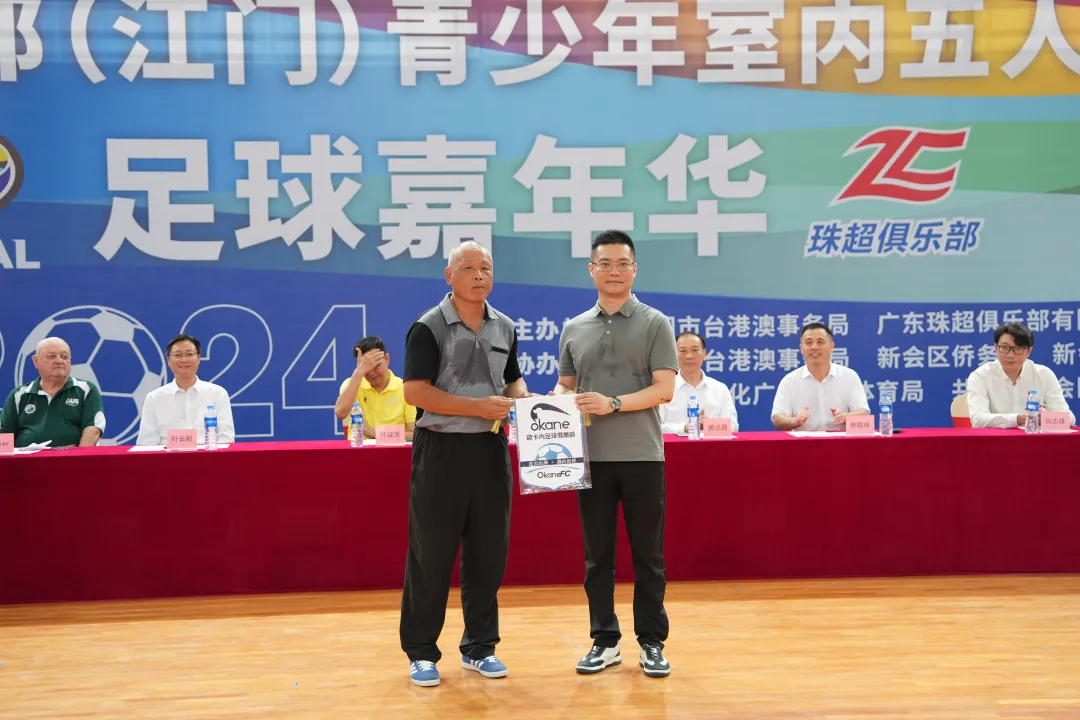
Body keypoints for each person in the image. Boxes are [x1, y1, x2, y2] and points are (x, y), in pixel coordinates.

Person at [399, 241, 531, 688]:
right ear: (449, 275)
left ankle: (480, 647)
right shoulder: (429, 326)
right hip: (441, 450)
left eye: (486, 268)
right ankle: (421, 652)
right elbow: (415, 392)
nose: (479, 275)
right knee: (431, 554)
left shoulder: (505, 326)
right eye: (469, 268)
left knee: (488, 553)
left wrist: (527, 401)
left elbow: (512, 381)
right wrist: (476, 407)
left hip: (491, 450)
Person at [553, 230, 678, 678]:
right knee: (597, 557)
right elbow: (565, 384)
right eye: (604, 263)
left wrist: (614, 403)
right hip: (589, 457)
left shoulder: (654, 322)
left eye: (622, 263)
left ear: (634, 270)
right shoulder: (574, 327)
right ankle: (604, 640)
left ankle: (652, 642)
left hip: (643, 455)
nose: (614, 271)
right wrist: (552, 405)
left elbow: (665, 389)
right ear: (591, 270)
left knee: (648, 556)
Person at [0, 337, 106, 448]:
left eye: (64, 357)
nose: (59, 361)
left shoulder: (86, 389)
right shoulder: (19, 395)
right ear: (36, 361)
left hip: (70, 458)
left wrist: (79, 458)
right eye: (52, 356)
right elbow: (3, 435)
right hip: (26, 458)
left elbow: (92, 430)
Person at [966, 322, 1075, 428]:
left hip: (1035, 439)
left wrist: (1046, 417)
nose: (1010, 355)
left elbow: (1070, 419)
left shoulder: (1044, 375)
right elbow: (978, 419)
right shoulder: (980, 376)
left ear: (1029, 351)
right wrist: (1019, 419)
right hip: (996, 439)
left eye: (1018, 348)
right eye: (1004, 347)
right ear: (996, 348)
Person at [136, 333, 234, 445]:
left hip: (207, 455)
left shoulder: (218, 394)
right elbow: (146, 442)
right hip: (167, 456)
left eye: (189, 354)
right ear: (168, 360)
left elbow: (226, 438)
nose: (184, 360)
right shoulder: (154, 398)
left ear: (198, 358)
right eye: (177, 355)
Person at [771, 322, 870, 431]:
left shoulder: (849, 376)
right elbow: (777, 418)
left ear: (831, 346)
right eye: (809, 343)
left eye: (820, 342)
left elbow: (864, 412)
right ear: (801, 348)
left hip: (840, 440)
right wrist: (795, 421)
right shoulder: (789, 381)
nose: (814, 347)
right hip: (803, 441)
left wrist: (846, 417)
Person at [334, 336, 417, 441]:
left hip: (393, 449)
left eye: (376, 366)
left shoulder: (405, 388)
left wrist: (375, 433)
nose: (371, 373)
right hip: (360, 449)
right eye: (366, 367)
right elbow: (340, 413)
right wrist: (359, 371)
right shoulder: (351, 385)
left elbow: (414, 434)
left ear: (387, 359)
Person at [659, 331, 739, 434]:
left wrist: (710, 425)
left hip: (711, 444)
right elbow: (655, 428)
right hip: (674, 444)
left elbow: (733, 426)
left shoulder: (719, 389)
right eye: (683, 351)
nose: (689, 356)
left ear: (704, 354)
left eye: (695, 350)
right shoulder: (663, 389)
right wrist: (685, 428)